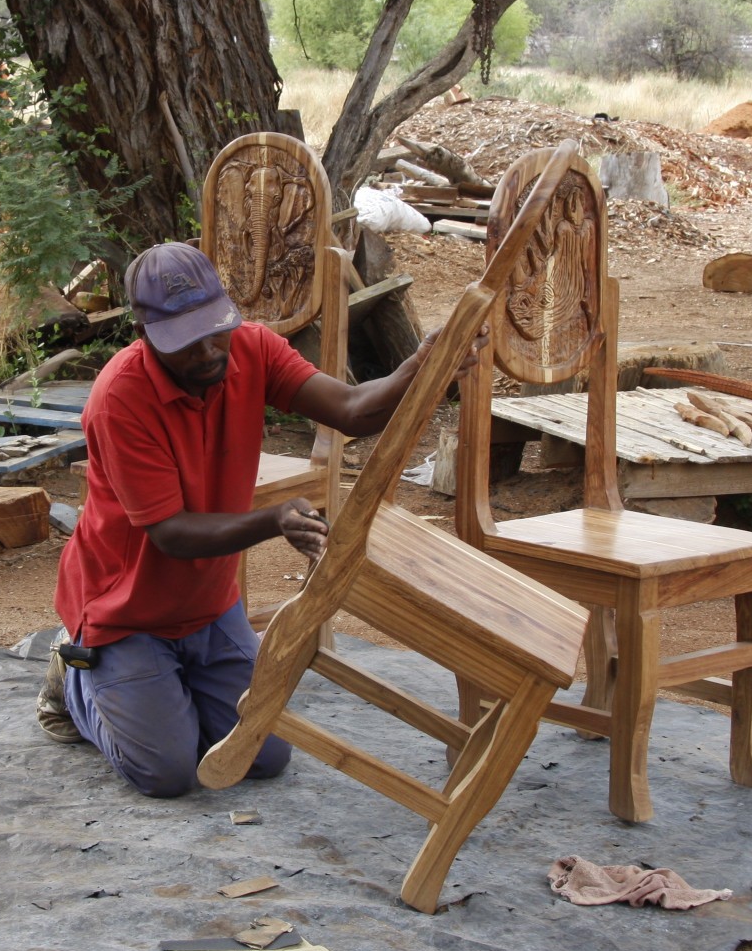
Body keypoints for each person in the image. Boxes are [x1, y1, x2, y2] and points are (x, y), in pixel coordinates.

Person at [40, 242, 484, 798]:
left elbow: (351, 409)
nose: (206, 352)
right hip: (124, 610)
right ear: (144, 332)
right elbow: (172, 533)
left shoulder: (252, 350)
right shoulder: (119, 397)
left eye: (214, 329)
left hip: (206, 603)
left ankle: (159, 695)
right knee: (168, 773)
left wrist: (421, 368)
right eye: (185, 342)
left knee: (261, 754)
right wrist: (273, 519)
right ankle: (74, 676)